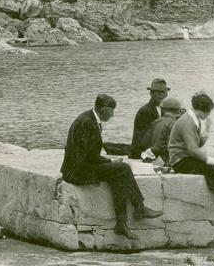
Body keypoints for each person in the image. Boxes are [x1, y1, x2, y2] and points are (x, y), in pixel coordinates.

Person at [62, 94, 159, 238]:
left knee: (119, 175)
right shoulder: (87, 122)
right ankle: (139, 208)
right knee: (123, 168)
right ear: (102, 108)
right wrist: (110, 162)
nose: (112, 115)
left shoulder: (89, 119)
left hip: (81, 166)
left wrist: (109, 162)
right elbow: (88, 156)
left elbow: (88, 153)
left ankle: (122, 223)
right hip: (77, 171)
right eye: (111, 110)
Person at [167, 90, 214, 227]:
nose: (209, 115)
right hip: (180, 161)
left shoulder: (195, 120)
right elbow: (193, 150)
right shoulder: (187, 122)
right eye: (209, 111)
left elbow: (198, 145)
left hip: (188, 157)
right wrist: (213, 161)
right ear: (204, 110)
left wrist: (206, 130)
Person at [129, 77, 169, 156]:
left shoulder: (165, 110)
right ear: (151, 93)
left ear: (166, 94)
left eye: (162, 92)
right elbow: (145, 138)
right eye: (156, 92)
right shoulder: (145, 111)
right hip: (142, 151)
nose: (159, 94)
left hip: (154, 149)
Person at [148, 94, 184, 166]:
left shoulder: (155, 122)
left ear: (162, 109)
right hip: (165, 161)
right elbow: (170, 147)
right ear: (178, 111)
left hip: (153, 157)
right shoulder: (173, 124)